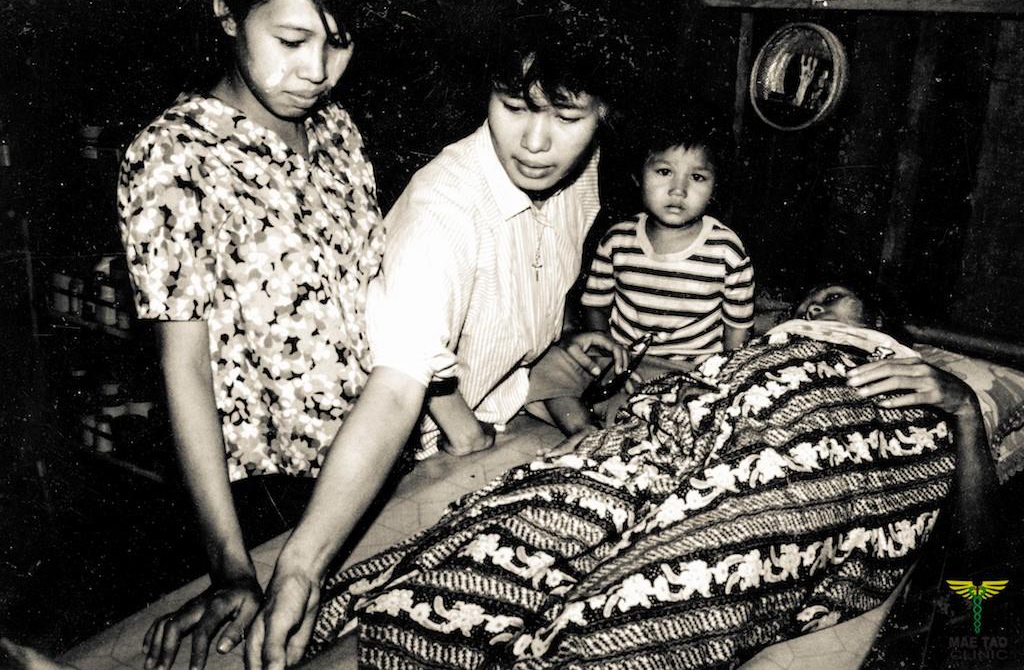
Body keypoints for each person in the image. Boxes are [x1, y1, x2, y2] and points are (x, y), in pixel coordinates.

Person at [289, 283, 995, 669]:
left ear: (880, 325)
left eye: (831, 299)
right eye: (803, 304)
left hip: (802, 466)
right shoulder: (759, 349)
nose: (809, 309)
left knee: (671, 586)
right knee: (517, 532)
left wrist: (963, 408)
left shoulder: (916, 384)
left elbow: (981, 554)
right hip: (668, 439)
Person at [243, 16, 626, 670]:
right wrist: (301, 569)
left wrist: (550, 360)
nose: (536, 143)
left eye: (566, 117)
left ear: (603, 114)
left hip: (489, 424)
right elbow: (398, 389)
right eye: (513, 107)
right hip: (385, 462)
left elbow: (528, 291)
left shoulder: (584, 169)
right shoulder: (442, 212)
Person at [116, 0, 384, 669]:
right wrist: (230, 566)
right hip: (267, 496)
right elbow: (184, 367)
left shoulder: (337, 129)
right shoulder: (173, 156)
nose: (317, 71)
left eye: (339, 43)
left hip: (369, 465)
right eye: (291, 40)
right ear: (227, 11)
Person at [529, 112, 754, 440]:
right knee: (543, 364)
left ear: (715, 186)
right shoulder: (617, 240)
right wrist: (609, 346)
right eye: (664, 172)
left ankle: (625, 423)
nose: (678, 190)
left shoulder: (727, 250)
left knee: (697, 410)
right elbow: (596, 305)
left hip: (685, 370)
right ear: (638, 175)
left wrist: (725, 380)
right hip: (621, 360)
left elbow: (737, 330)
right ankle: (583, 428)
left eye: (697, 177)